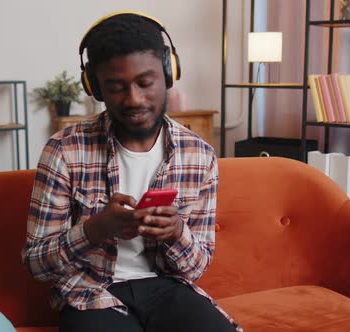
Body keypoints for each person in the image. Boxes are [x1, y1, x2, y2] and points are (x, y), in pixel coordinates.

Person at [22, 11, 241, 332]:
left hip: (166, 288)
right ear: (95, 88)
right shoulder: (64, 149)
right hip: (89, 290)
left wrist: (177, 231)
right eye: (116, 87)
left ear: (168, 74)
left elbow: (195, 268)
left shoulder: (199, 154)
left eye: (145, 82)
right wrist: (94, 229)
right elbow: (35, 263)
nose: (134, 99)